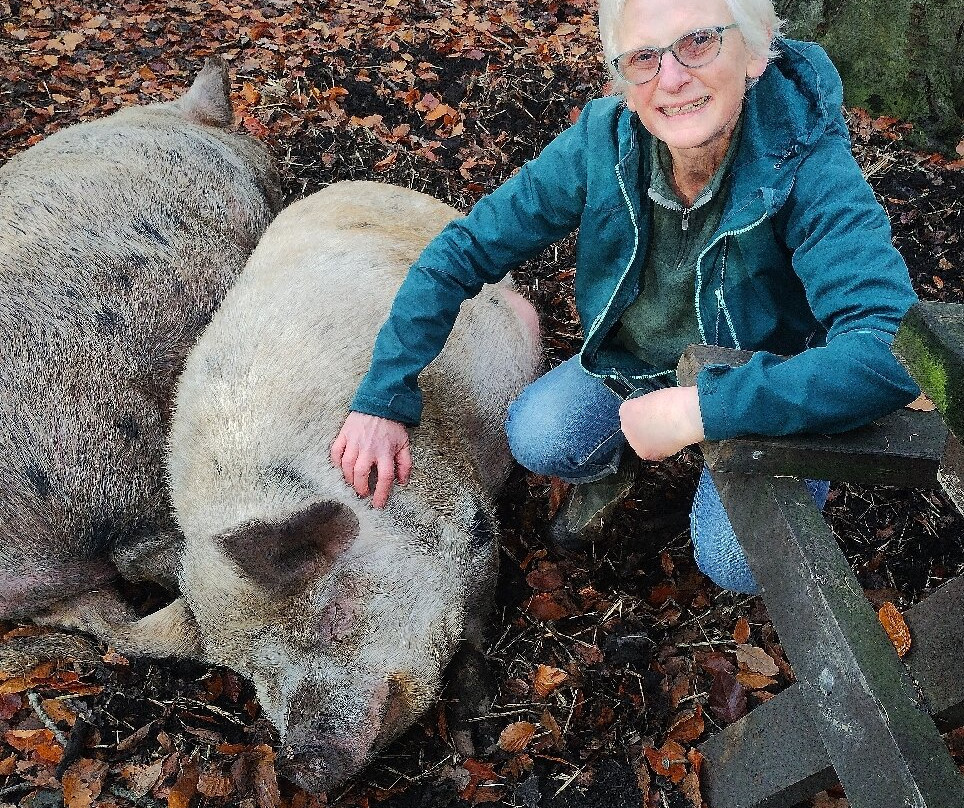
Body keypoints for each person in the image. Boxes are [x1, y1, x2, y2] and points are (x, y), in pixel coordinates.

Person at [331, 0, 920, 593]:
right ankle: (626, 461)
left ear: (758, 45)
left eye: (698, 42)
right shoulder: (604, 143)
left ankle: (747, 451)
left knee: (739, 560)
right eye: (643, 57)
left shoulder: (807, 163)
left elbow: (891, 348)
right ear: (622, 77)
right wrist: (383, 395)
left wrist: (699, 411)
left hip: (762, 386)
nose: (671, 78)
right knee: (540, 433)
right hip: (635, 368)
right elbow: (462, 251)